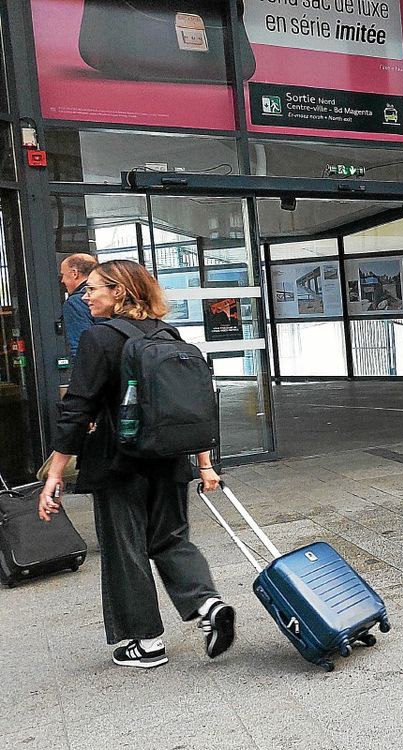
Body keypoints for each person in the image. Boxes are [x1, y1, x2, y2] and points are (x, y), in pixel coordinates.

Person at [38, 259, 236, 669]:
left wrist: (55, 472)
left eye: (92, 289)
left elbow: (77, 409)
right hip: (168, 459)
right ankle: (208, 605)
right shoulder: (169, 334)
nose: (85, 295)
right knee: (171, 539)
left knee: (125, 549)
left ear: (120, 293)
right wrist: (204, 463)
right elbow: (193, 407)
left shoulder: (99, 339)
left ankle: (146, 644)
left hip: (118, 462)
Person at [59, 253, 98, 359]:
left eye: (63, 274)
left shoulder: (74, 303)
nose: (62, 280)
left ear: (74, 273)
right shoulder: (107, 297)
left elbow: (81, 347)